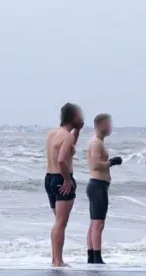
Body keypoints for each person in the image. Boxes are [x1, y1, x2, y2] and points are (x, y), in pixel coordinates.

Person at [45, 102, 84, 267]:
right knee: (61, 223)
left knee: (58, 223)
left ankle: (55, 259)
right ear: (74, 117)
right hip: (62, 179)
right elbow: (62, 160)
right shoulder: (66, 136)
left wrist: (78, 131)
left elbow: (68, 148)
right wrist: (68, 180)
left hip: (49, 178)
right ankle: (58, 261)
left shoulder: (53, 133)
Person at [85, 113, 123, 264]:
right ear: (101, 125)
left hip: (99, 186)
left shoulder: (99, 142)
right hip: (97, 185)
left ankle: (91, 256)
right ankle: (97, 257)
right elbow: (95, 165)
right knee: (98, 223)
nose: (111, 126)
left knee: (94, 223)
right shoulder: (96, 143)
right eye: (109, 123)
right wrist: (111, 162)